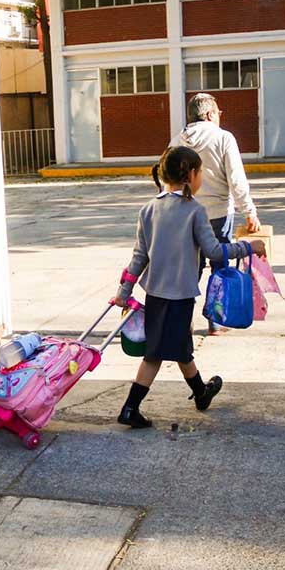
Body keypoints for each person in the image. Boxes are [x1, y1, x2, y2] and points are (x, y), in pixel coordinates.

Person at [112, 146, 266, 429]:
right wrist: (248, 247)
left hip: (155, 294)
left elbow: (139, 257)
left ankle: (201, 393)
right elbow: (214, 251)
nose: (201, 179)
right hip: (180, 296)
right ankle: (130, 408)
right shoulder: (195, 211)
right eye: (201, 173)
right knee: (157, 354)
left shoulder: (149, 209)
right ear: (191, 175)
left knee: (180, 347)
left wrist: (123, 293)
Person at [169, 93, 263, 335]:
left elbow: (167, 179)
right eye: (218, 112)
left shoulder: (177, 141)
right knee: (220, 265)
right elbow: (236, 179)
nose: (220, 117)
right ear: (210, 114)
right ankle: (216, 321)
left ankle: (183, 321)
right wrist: (249, 211)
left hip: (185, 214)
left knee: (190, 268)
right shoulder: (223, 138)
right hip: (218, 213)